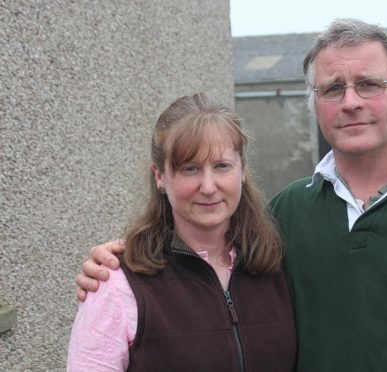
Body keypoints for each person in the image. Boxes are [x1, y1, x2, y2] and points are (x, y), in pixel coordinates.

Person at [76, 19, 387, 371]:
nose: (350, 101)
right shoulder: (287, 214)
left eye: (368, 84)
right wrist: (118, 260)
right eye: (332, 89)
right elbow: (208, 262)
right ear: (316, 105)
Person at [67, 93, 296, 371]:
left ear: (243, 170)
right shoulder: (118, 283)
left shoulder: (276, 266)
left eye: (222, 166)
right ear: (160, 176)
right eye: (190, 169)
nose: (209, 186)